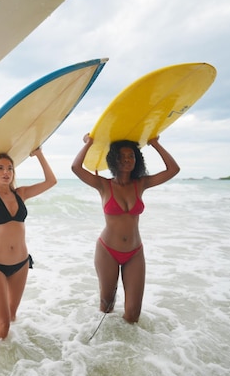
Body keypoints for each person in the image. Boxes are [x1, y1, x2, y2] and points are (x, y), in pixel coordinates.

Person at [71, 134, 179, 323]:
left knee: (133, 314)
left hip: (134, 253)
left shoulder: (141, 183)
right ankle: (105, 347)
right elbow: (76, 168)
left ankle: (131, 349)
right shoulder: (103, 184)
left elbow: (173, 170)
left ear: (137, 159)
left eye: (131, 156)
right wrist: (89, 143)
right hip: (107, 251)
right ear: (114, 160)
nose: (127, 160)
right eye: (121, 157)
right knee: (106, 307)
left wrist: (155, 144)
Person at [0, 147, 56, 339]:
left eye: (10, 168)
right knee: (3, 323)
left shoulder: (21, 194)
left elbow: (51, 181)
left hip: (21, 264)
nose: (6, 172)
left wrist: (39, 154)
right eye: (0, 168)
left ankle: (14, 362)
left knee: (12, 316)